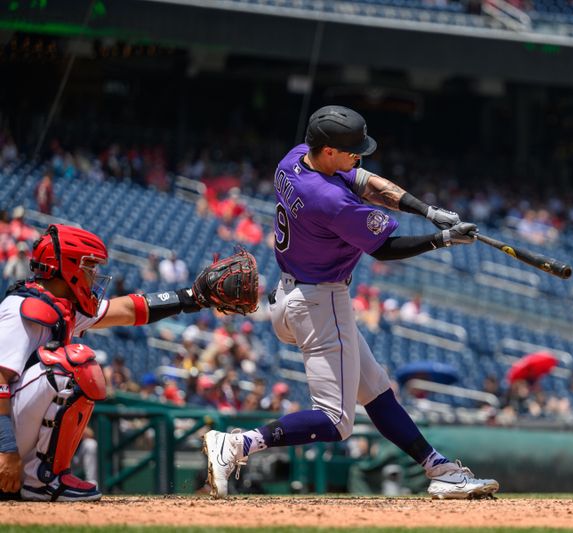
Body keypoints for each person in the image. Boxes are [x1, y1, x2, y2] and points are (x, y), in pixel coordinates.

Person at [203, 105, 498, 500]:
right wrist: (441, 239)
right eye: (351, 149)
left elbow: (365, 181)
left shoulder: (294, 159)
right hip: (319, 301)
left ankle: (439, 468)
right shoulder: (327, 198)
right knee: (336, 421)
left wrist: (426, 211)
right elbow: (385, 248)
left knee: (375, 390)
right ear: (327, 150)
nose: (359, 155)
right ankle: (238, 445)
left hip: (292, 296)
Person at [0, 224, 236, 501]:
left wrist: (191, 298)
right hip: (4, 441)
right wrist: (6, 449)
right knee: (76, 364)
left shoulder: (58, 304)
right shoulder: (22, 308)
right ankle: (41, 481)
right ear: (68, 266)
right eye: (88, 266)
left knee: (73, 363)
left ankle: (41, 477)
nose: (93, 275)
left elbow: (126, 310)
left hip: (12, 431)